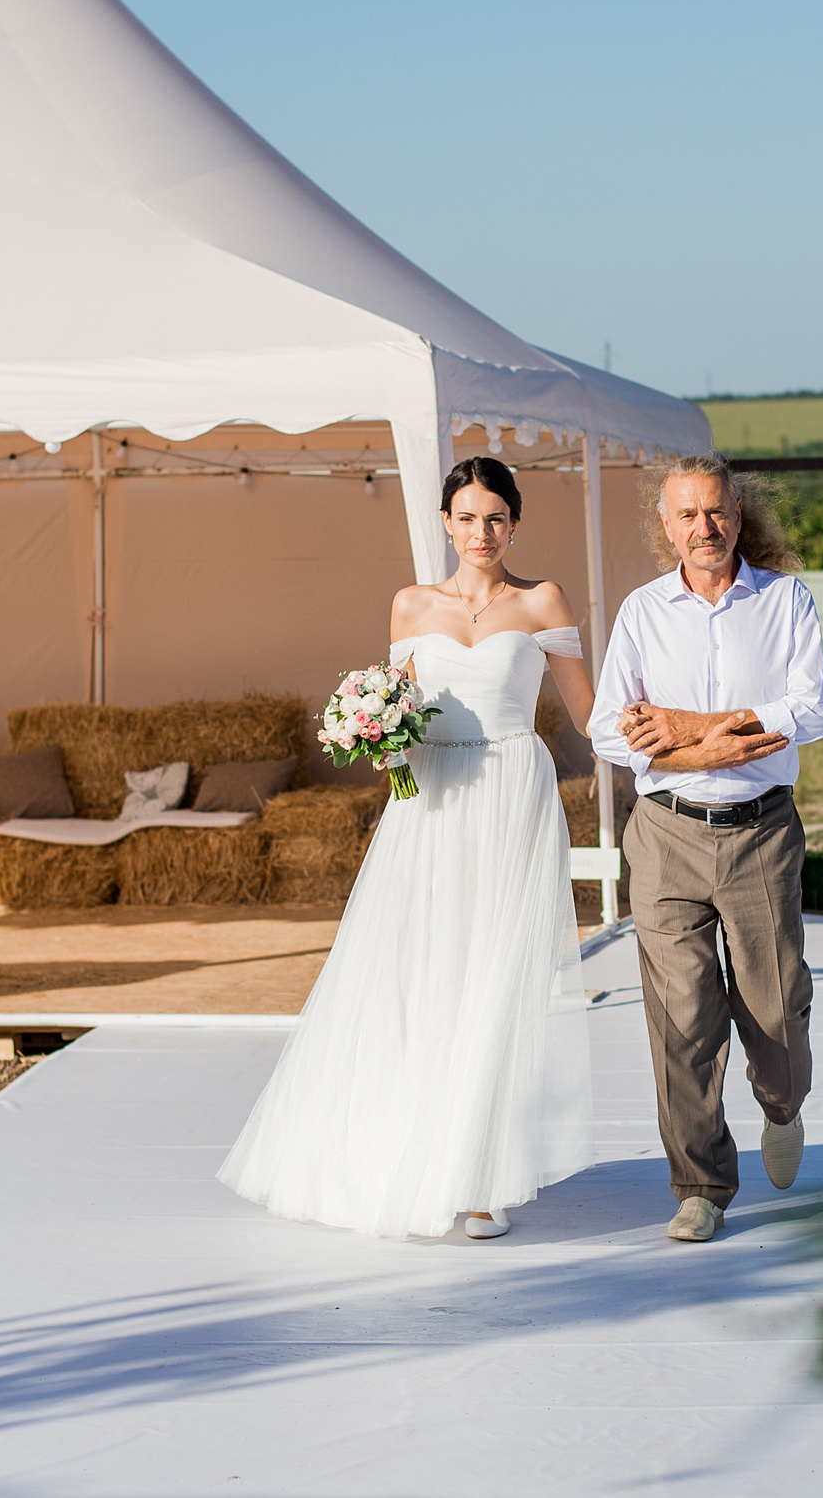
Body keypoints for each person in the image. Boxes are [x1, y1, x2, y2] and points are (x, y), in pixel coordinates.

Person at [218, 456, 596, 1239]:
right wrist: (380, 742)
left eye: (496, 516)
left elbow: (591, 717)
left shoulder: (542, 600)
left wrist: (686, 742)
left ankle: (484, 1176)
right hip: (428, 806)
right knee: (421, 973)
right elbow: (396, 712)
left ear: (515, 521)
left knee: (494, 978)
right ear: (447, 523)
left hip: (509, 794)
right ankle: (408, 1150)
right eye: (467, 517)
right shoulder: (409, 604)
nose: (481, 531)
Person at [588, 453, 823, 1243]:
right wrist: (710, 748)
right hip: (664, 834)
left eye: (717, 511)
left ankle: (782, 1101)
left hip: (761, 831)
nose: (705, 527)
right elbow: (606, 729)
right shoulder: (642, 611)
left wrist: (686, 724)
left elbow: (810, 709)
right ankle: (700, 1183)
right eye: (687, 514)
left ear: (739, 512)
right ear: (666, 525)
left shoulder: (786, 600)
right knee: (682, 1018)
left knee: (775, 1007)